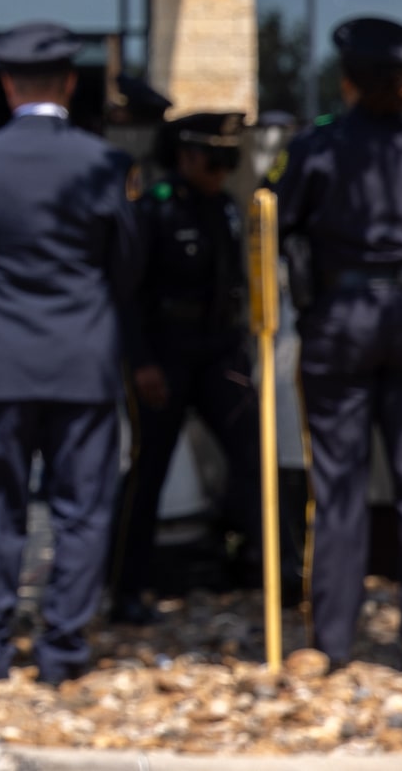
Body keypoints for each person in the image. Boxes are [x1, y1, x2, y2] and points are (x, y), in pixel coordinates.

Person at [0, 20, 139, 686]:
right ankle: (62, 650)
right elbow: (126, 266)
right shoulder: (106, 163)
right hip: (81, 359)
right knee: (82, 509)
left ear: (6, 85)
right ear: (71, 83)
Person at [273, 15, 402, 667]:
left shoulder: (319, 147)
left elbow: (276, 222)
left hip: (340, 318)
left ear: (348, 81)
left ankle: (332, 640)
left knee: (338, 484)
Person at [110, 110, 260, 624]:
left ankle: (263, 568)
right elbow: (127, 294)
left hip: (219, 350)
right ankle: (127, 587)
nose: (220, 172)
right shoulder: (155, 208)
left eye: (227, 161)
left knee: (251, 454)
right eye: (212, 160)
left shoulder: (226, 206)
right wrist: (142, 362)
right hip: (166, 354)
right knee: (148, 469)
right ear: (186, 155)